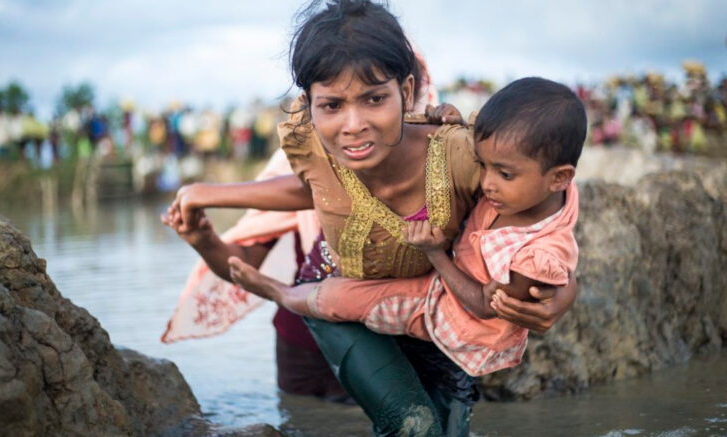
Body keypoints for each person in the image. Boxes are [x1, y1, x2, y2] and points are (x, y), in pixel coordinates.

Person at [163, 1, 578, 434]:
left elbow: (544, 216)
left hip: (430, 313)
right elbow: (268, 235)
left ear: (408, 89)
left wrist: (560, 295)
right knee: (412, 427)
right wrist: (202, 231)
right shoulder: (316, 159)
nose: (354, 124)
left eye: (375, 98)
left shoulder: (461, 155)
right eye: (332, 105)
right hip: (333, 308)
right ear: (308, 106)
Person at [227, 76, 585, 377]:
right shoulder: (530, 188)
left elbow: (481, 306)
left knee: (340, 297)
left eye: (502, 173)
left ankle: (280, 293)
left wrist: (434, 254)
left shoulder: (536, 255)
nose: (486, 183)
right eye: (481, 164)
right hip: (448, 280)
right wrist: (453, 124)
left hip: (453, 314)